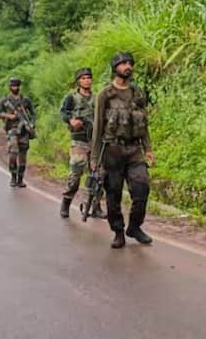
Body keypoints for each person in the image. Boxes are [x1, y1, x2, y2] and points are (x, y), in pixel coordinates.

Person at [90, 52, 155, 249]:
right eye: (123, 63)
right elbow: (98, 127)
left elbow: (143, 123)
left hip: (134, 149)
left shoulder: (138, 93)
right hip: (112, 150)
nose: (128, 67)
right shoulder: (105, 95)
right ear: (115, 68)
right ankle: (118, 232)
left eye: (130, 63)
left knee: (142, 187)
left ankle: (134, 227)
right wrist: (95, 157)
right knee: (113, 193)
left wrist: (148, 148)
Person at [59, 67, 105, 219]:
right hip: (79, 140)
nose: (87, 80)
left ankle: (96, 206)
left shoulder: (97, 97)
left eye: (89, 77)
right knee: (75, 175)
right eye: (83, 78)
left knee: (98, 176)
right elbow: (63, 113)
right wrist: (72, 121)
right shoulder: (71, 98)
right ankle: (66, 203)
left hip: (96, 141)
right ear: (79, 80)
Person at [0, 77, 37, 188]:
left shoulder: (25, 100)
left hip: (24, 131)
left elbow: (33, 113)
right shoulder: (5, 100)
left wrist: (31, 123)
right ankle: (13, 177)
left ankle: (20, 179)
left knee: (23, 156)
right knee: (13, 153)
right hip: (12, 130)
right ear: (10, 87)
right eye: (13, 86)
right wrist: (10, 116)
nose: (15, 88)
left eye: (17, 86)